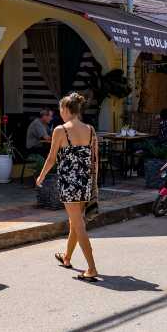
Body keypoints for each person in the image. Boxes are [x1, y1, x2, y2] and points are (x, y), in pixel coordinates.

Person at [35, 92, 100, 282]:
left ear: (66, 109)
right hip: (85, 182)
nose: (59, 113)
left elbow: (51, 158)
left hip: (69, 184)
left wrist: (41, 176)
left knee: (78, 225)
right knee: (75, 222)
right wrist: (94, 183)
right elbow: (95, 159)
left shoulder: (60, 130)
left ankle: (91, 268)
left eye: (60, 110)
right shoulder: (90, 129)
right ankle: (67, 258)